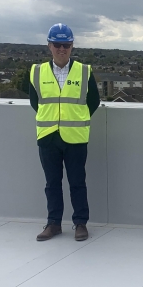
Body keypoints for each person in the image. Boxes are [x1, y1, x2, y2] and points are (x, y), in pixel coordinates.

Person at [29, 23, 100, 242]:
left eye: (66, 45)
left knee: (77, 182)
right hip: (48, 136)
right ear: (49, 46)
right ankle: (54, 224)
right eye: (58, 45)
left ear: (72, 46)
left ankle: (80, 223)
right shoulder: (37, 71)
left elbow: (93, 102)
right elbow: (35, 101)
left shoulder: (84, 71)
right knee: (52, 183)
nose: (62, 49)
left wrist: (74, 119)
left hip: (75, 138)